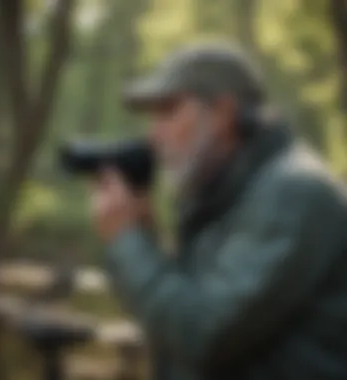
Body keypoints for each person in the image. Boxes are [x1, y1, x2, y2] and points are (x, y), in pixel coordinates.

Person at [91, 41, 347, 380]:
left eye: (167, 112)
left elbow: (201, 335)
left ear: (223, 113)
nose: (153, 135)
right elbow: (187, 317)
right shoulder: (227, 198)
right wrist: (146, 237)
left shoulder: (294, 193)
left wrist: (127, 240)